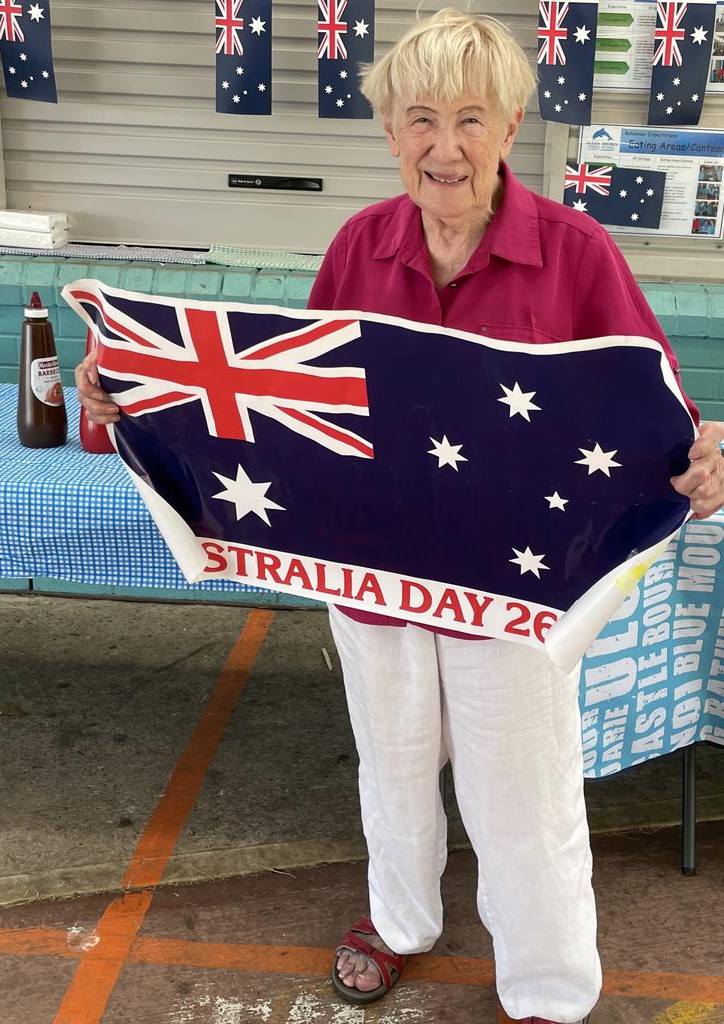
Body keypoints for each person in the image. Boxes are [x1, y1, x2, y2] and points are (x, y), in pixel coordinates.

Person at [75, 10, 724, 1023]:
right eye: (420, 119)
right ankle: (401, 919)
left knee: (523, 788)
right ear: (388, 133)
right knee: (394, 758)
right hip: (372, 569)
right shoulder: (359, 245)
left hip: (517, 585)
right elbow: (281, 406)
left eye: (472, 118)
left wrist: (703, 453)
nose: (446, 146)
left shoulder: (578, 253)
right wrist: (131, 394)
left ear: (511, 128)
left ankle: (549, 988)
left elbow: (655, 406)